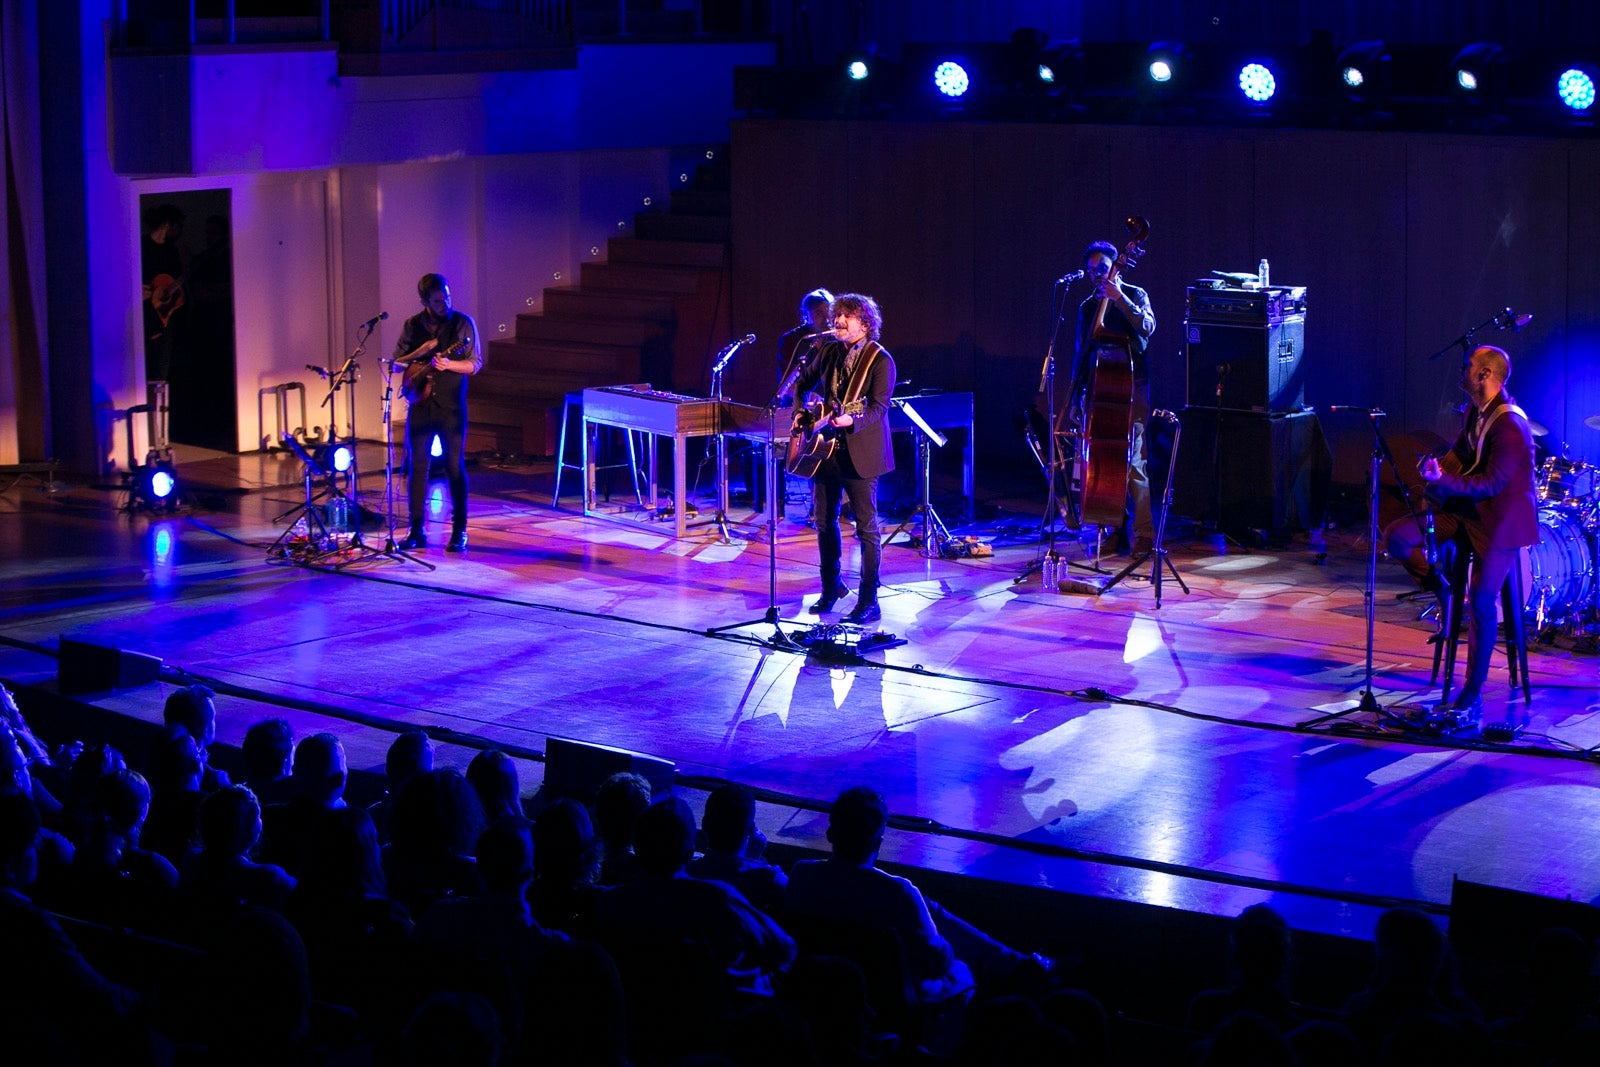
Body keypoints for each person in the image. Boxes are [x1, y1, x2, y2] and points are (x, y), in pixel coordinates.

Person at [1384, 344, 1538, 720]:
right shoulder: (1477, 411)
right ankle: (1442, 589)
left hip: (1500, 522)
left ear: (1485, 374)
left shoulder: (1511, 426)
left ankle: (1472, 691)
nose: (1462, 370)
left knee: (1483, 603)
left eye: (1468, 366)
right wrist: (1438, 469)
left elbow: (1490, 484)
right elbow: (1462, 454)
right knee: (1398, 536)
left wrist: (1446, 481)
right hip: (1470, 511)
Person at [784, 292, 896, 623]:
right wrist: (800, 413)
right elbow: (802, 384)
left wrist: (852, 420)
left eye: (846, 316)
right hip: (826, 450)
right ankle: (831, 587)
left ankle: (869, 599)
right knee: (824, 521)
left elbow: (877, 408)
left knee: (866, 528)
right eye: (836, 315)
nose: (838, 321)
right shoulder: (830, 351)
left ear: (865, 322)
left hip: (862, 450)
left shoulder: (880, 360)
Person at [1066, 238, 1156, 554]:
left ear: (1115, 266)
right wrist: (1076, 398)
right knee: (1104, 462)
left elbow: (1147, 327)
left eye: (1102, 268)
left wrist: (1119, 299)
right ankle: (1113, 529)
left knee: (1133, 462)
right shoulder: (1087, 307)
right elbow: (1081, 355)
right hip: (1099, 393)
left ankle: (1144, 534)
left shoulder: (1135, 294)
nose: (1096, 275)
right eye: (1091, 270)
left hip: (1134, 390)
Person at [394, 272, 481, 553]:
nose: (445, 304)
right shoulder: (412, 326)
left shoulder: (462, 324)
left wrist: (448, 365)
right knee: (417, 467)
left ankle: (459, 531)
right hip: (420, 404)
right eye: (438, 301)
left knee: (454, 466)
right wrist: (422, 351)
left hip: (451, 408)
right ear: (424, 302)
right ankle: (416, 529)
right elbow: (396, 364)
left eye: (447, 297)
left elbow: (475, 363)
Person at [776, 287, 834, 388]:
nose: (826, 319)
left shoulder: (837, 339)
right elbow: (785, 383)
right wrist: (808, 395)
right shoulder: (792, 339)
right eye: (819, 313)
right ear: (806, 315)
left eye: (828, 313)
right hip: (797, 401)